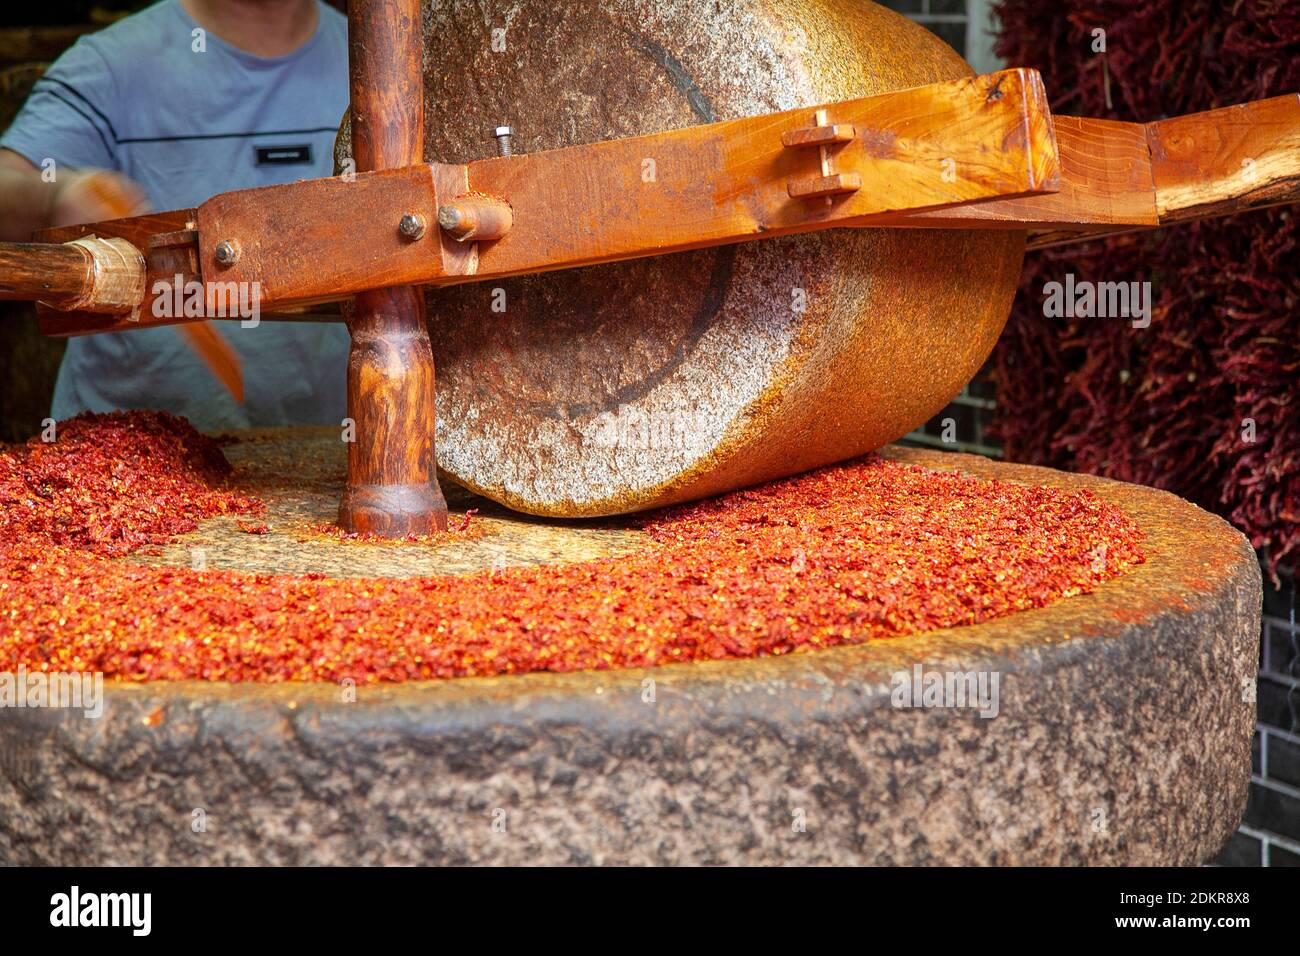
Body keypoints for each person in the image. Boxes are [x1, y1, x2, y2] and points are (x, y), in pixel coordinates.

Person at [0, 0, 351, 430]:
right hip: (126, 462)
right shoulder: (114, 63)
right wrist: (52, 195)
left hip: (331, 454)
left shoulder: (376, 61)